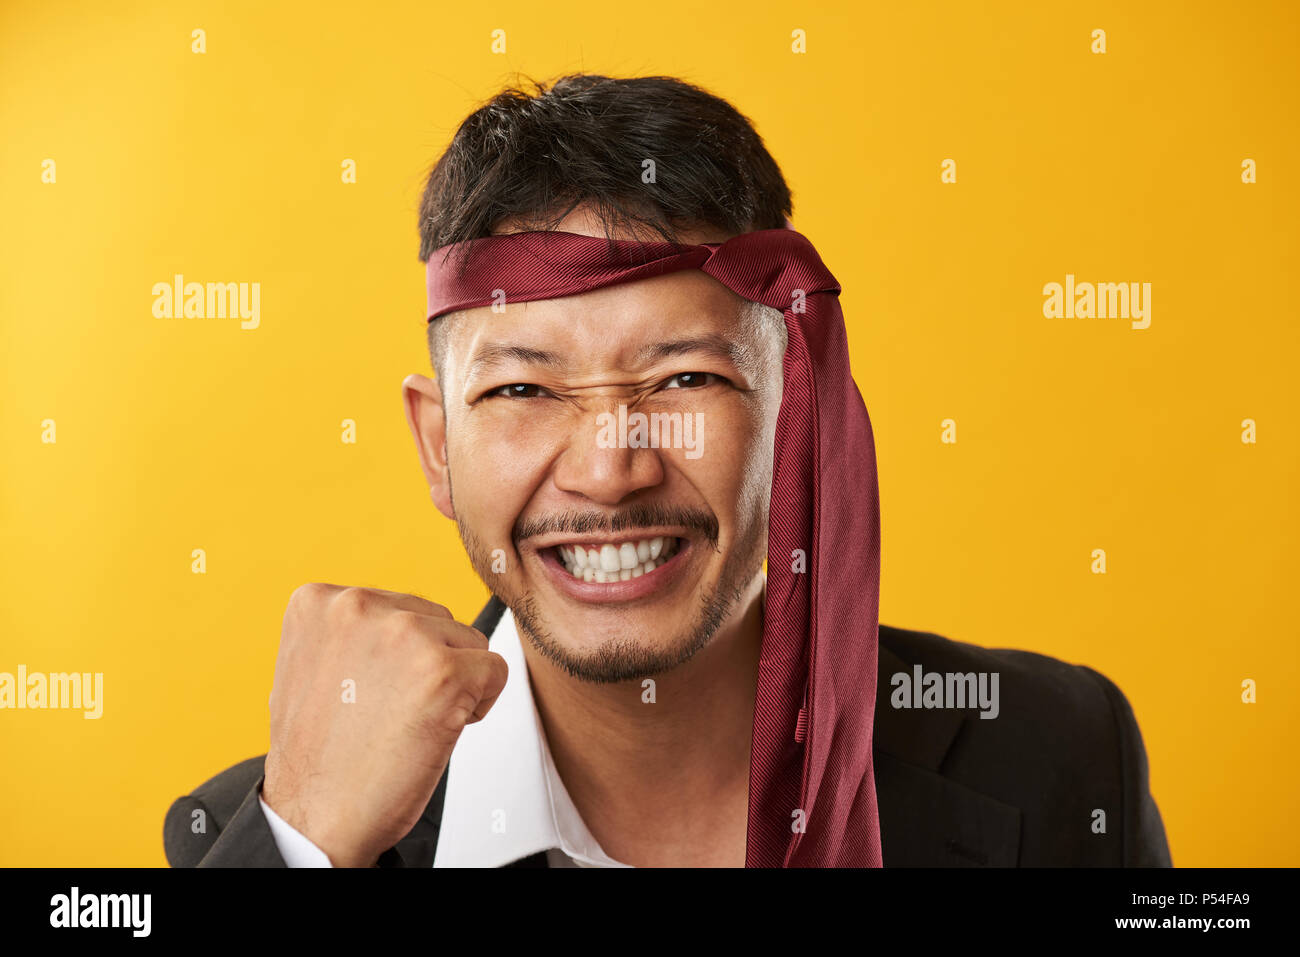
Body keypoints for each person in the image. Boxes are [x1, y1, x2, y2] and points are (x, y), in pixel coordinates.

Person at [164, 74, 1171, 868]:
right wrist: (296, 848)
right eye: (522, 390)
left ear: (797, 416)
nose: (609, 473)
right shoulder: (279, 831)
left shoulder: (1056, 755)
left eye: (683, 376)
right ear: (437, 444)